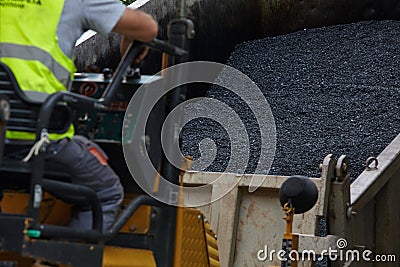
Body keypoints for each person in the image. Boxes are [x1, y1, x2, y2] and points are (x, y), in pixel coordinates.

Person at [0, 0, 158, 231]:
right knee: (105, 192)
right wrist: (128, 38)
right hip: (38, 138)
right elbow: (147, 28)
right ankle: (62, 258)